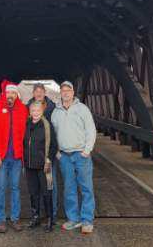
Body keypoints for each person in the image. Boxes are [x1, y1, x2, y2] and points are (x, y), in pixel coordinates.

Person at [51, 80, 97, 235]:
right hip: (64, 156)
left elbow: (91, 130)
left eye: (68, 90)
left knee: (86, 188)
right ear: (60, 93)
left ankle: (87, 221)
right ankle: (73, 219)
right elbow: (53, 134)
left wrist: (87, 150)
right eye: (63, 90)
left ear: (73, 92)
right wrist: (57, 152)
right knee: (69, 189)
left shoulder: (82, 109)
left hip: (81, 154)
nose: (65, 93)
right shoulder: (56, 112)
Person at [0, 80, 28, 233]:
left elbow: (26, 133)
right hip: (0, 157)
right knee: (0, 188)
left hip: (16, 157)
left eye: (13, 92)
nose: (10, 95)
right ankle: (1, 220)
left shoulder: (23, 110)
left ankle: (15, 218)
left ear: (17, 95)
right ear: (4, 93)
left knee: (16, 188)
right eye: (8, 92)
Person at [23, 100, 58, 232]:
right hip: (29, 165)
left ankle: (49, 220)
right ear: (30, 112)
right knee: (33, 193)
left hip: (44, 165)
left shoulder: (47, 125)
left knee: (46, 192)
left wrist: (48, 159)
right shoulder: (26, 124)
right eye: (33, 111)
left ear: (42, 111)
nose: (35, 113)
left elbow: (54, 146)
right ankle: (36, 217)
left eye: (38, 111)